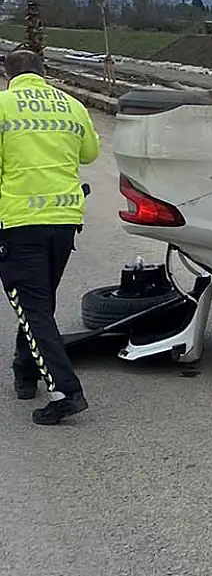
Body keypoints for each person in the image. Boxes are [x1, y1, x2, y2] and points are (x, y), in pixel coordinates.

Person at [1, 49, 99, 425]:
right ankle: (24, 373)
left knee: (33, 306)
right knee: (39, 302)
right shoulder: (71, 105)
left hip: (19, 222)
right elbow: (90, 152)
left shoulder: (3, 105)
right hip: (63, 220)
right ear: (44, 73)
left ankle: (65, 391)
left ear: (9, 74)